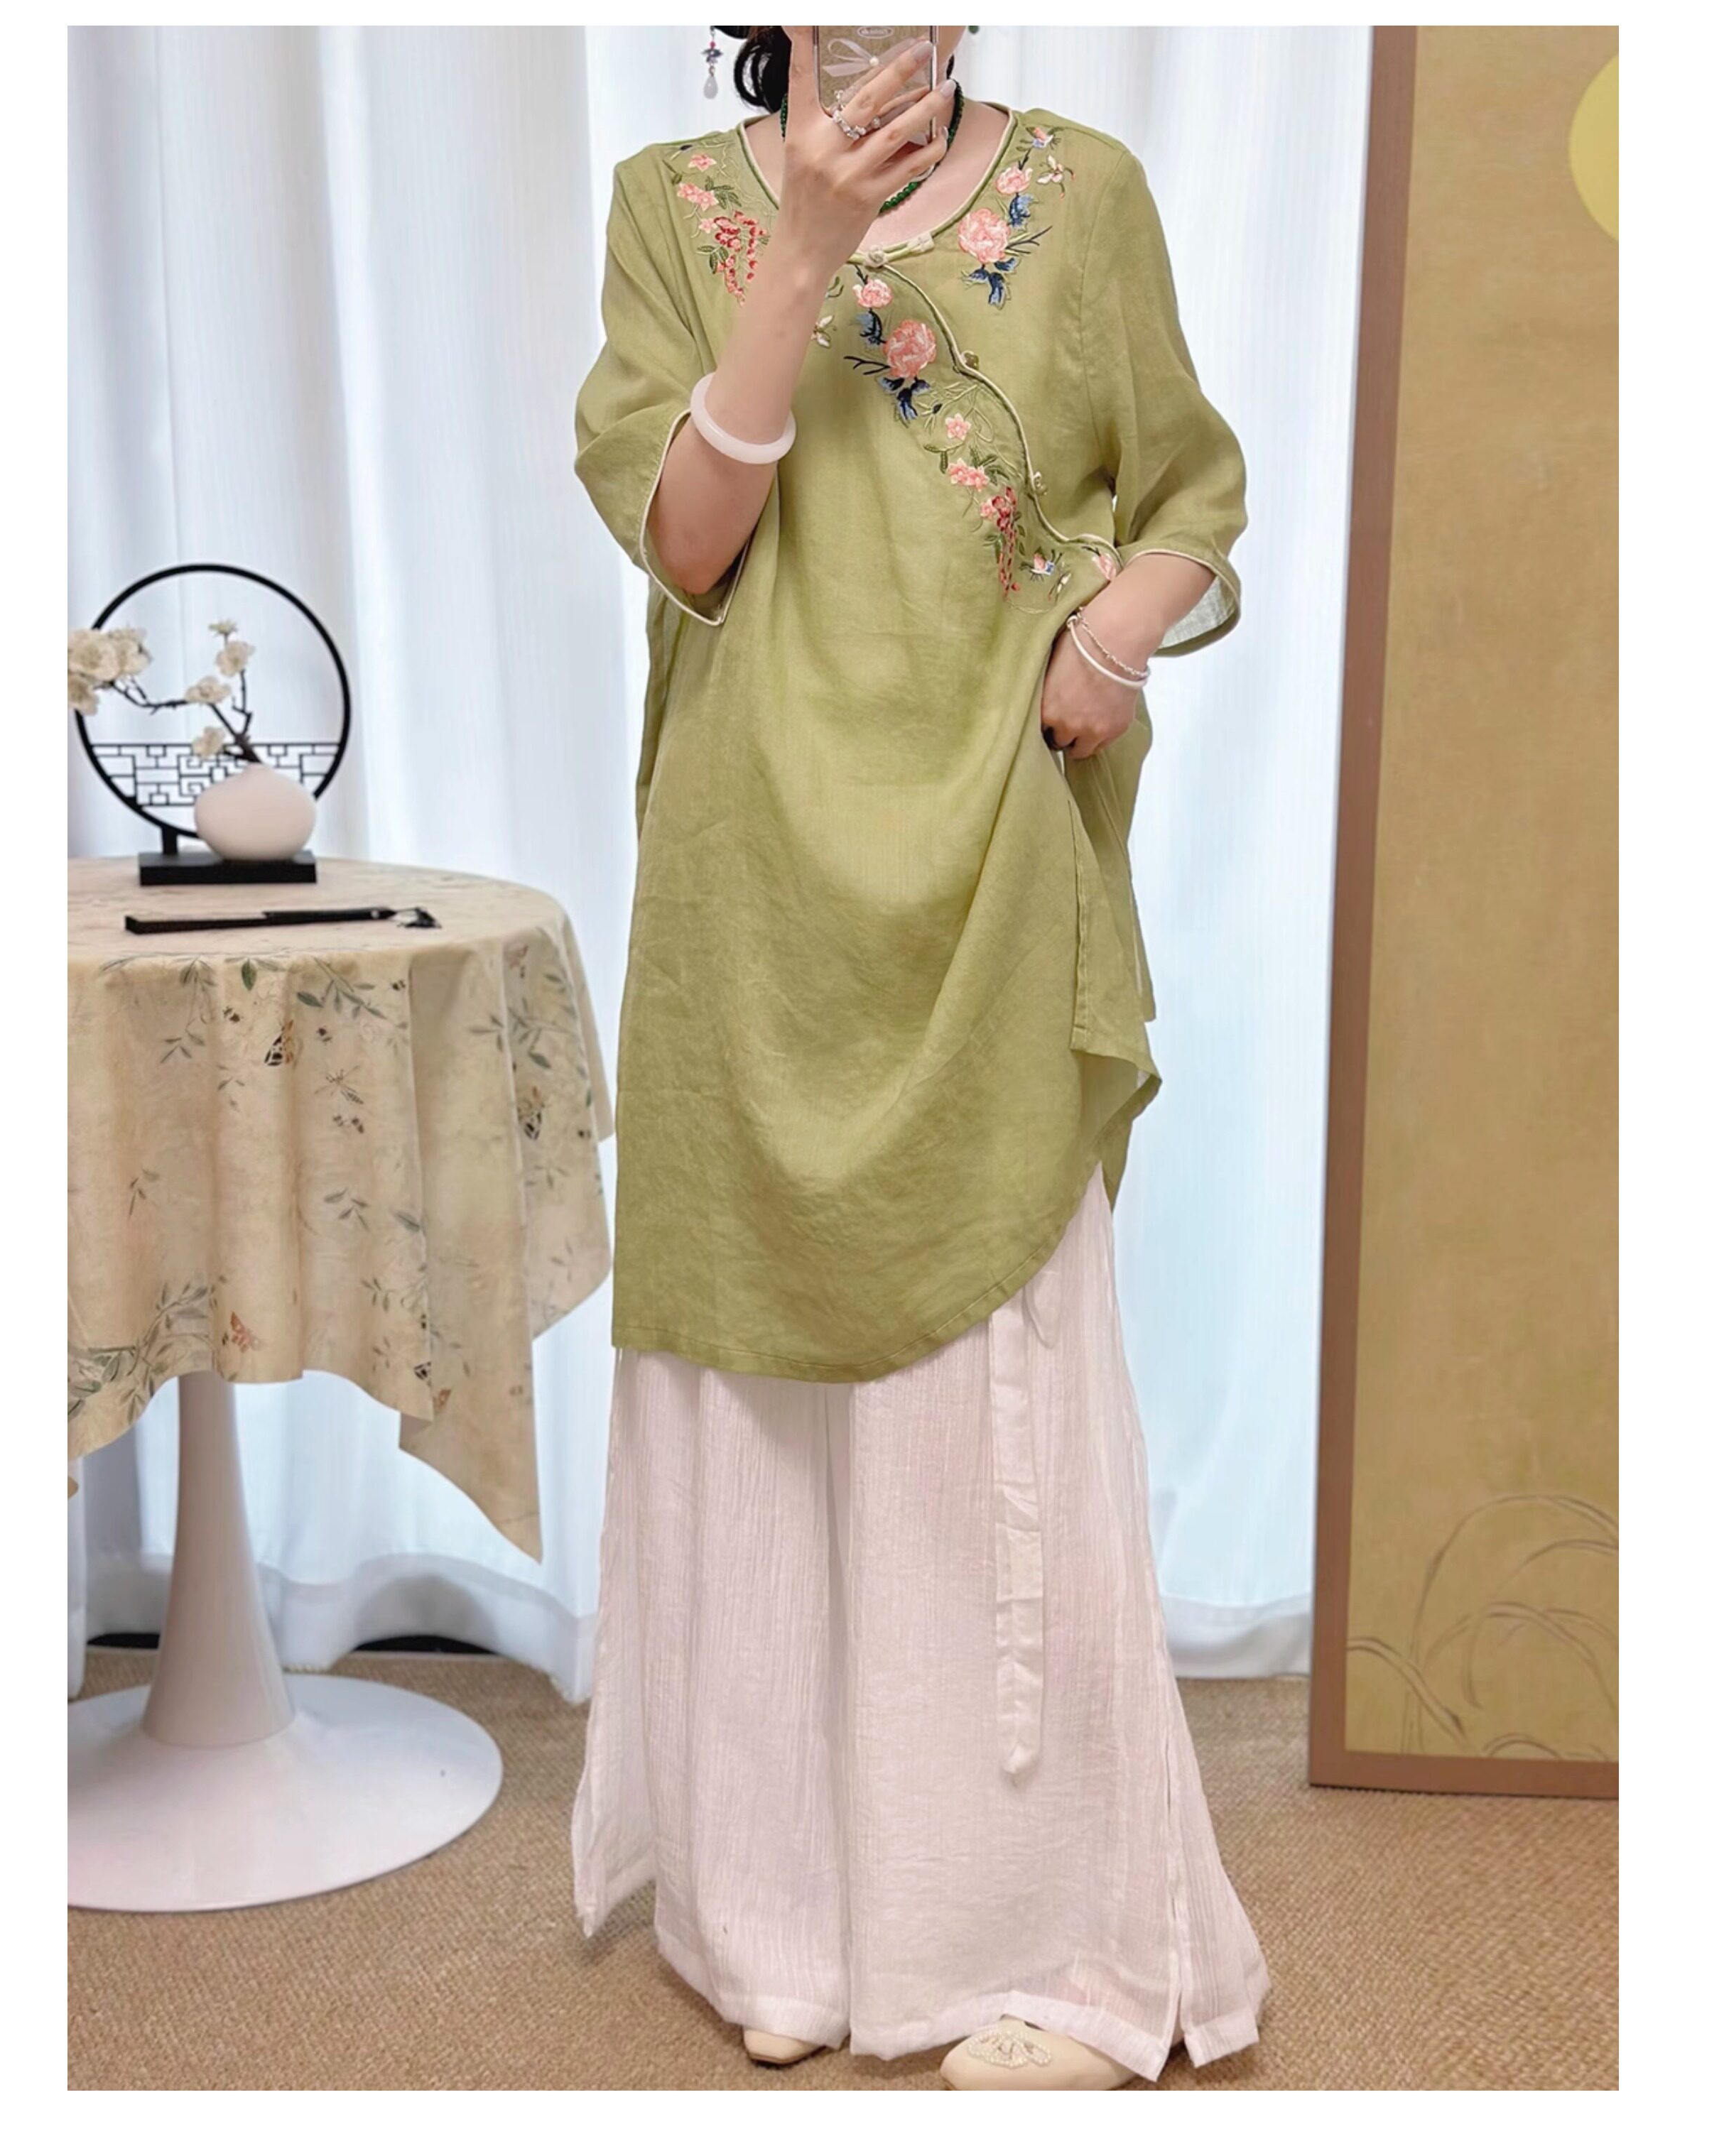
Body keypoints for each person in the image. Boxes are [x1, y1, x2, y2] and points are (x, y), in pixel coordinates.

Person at [569, 24, 1267, 2089]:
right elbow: (689, 542)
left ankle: (1045, 1941)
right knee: (754, 1402)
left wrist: (1113, 639)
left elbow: (1191, 491)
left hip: (990, 854)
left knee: (993, 1409)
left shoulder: (1088, 192)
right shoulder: (672, 209)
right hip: (752, 885)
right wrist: (803, 246)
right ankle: (778, 1915)